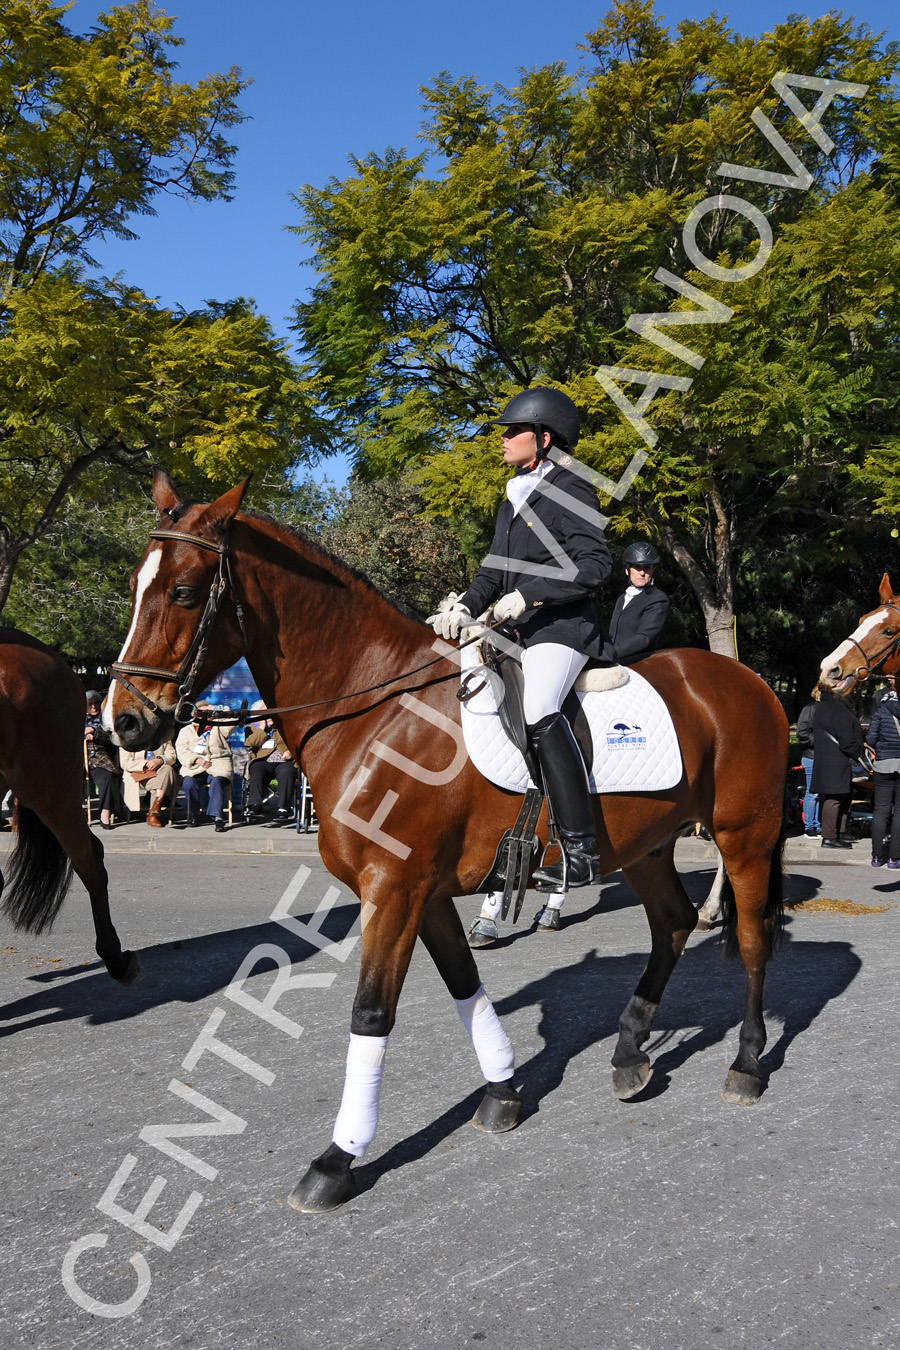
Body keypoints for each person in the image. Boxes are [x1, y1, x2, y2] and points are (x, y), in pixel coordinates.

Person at [427, 386, 614, 892]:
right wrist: (467, 604)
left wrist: (529, 596)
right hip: (515, 631)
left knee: (539, 707)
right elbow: (493, 569)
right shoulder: (513, 497)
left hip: (561, 628)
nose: (504, 439)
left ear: (544, 438)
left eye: (514, 431)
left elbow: (595, 565)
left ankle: (580, 850)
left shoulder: (571, 488)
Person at [810, 686, 864, 849]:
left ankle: (838, 832)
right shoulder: (836, 707)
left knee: (842, 796)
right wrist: (857, 752)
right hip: (837, 759)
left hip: (831, 758)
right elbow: (846, 738)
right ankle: (830, 836)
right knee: (835, 798)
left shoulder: (825, 706)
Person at [608, 541, 670, 665]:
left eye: (647, 568)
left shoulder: (658, 598)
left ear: (652, 570)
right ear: (627, 570)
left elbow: (644, 638)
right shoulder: (622, 598)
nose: (642, 573)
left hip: (639, 662)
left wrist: (609, 653)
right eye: (637, 567)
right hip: (614, 659)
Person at [175, 706, 233, 831]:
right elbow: (182, 751)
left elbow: (231, 724)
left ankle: (217, 817)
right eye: (201, 712)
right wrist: (196, 760)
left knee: (217, 782)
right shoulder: (186, 731)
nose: (204, 715)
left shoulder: (218, 726)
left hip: (218, 764)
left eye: (207, 712)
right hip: (196, 767)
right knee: (189, 783)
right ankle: (193, 814)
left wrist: (223, 710)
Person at [864, 673, 900, 867]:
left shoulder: (881, 709)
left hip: (884, 764)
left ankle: (877, 857)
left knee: (880, 811)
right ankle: (894, 858)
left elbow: (870, 739)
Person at [244, 702, 297, 826]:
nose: (268, 717)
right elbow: (250, 743)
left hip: (284, 761)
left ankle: (283, 808)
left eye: (270, 713)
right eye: (264, 714)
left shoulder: (286, 727)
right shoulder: (252, 728)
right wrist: (262, 727)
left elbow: (296, 743)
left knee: (287, 772)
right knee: (257, 768)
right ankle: (255, 805)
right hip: (264, 761)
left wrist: (291, 752)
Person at [84, 689, 123, 829]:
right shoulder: (75, 718)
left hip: (97, 759)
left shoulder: (105, 720)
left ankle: (105, 814)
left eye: (96, 703)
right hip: (77, 761)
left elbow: (109, 739)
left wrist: (94, 732)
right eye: (90, 704)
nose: (93, 707)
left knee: (107, 778)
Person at [119, 741, 178, 827]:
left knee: (168, 769)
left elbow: (172, 756)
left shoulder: (163, 735)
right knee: (161, 782)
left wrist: (160, 760)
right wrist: (145, 764)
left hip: (159, 770)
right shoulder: (130, 737)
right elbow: (125, 762)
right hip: (138, 771)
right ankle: (153, 813)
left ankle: (154, 808)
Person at [795, 687, 821, 837]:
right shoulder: (810, 709)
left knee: (819, 792)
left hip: (819, 755)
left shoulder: (820, 708)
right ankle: (809, 826)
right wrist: (819, 742)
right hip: (811, 756)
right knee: (812, 792)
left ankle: (816, 825)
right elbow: (801, 732)